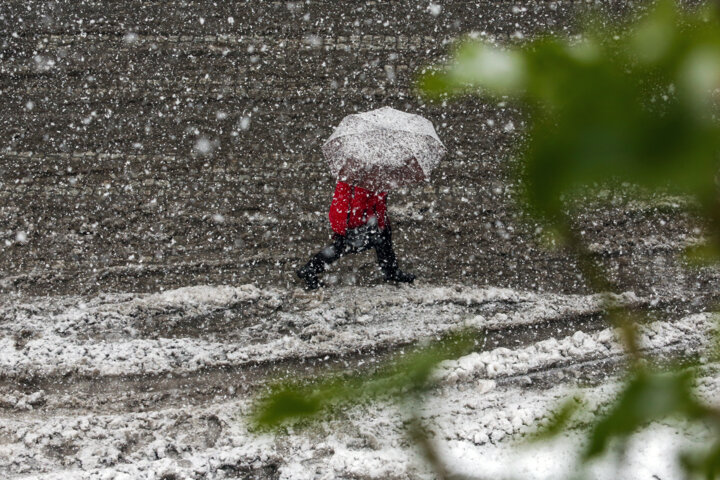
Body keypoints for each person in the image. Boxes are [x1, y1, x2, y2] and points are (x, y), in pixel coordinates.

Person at [297, 180, 415, 290]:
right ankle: (310, 269)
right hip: (353, 215)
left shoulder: (368, 175)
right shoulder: (363, 176)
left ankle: (391, 271)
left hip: (355, 213)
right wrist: (364, 221)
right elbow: (360, 200)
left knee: (382, 235)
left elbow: (372, 200)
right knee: (347, 244)